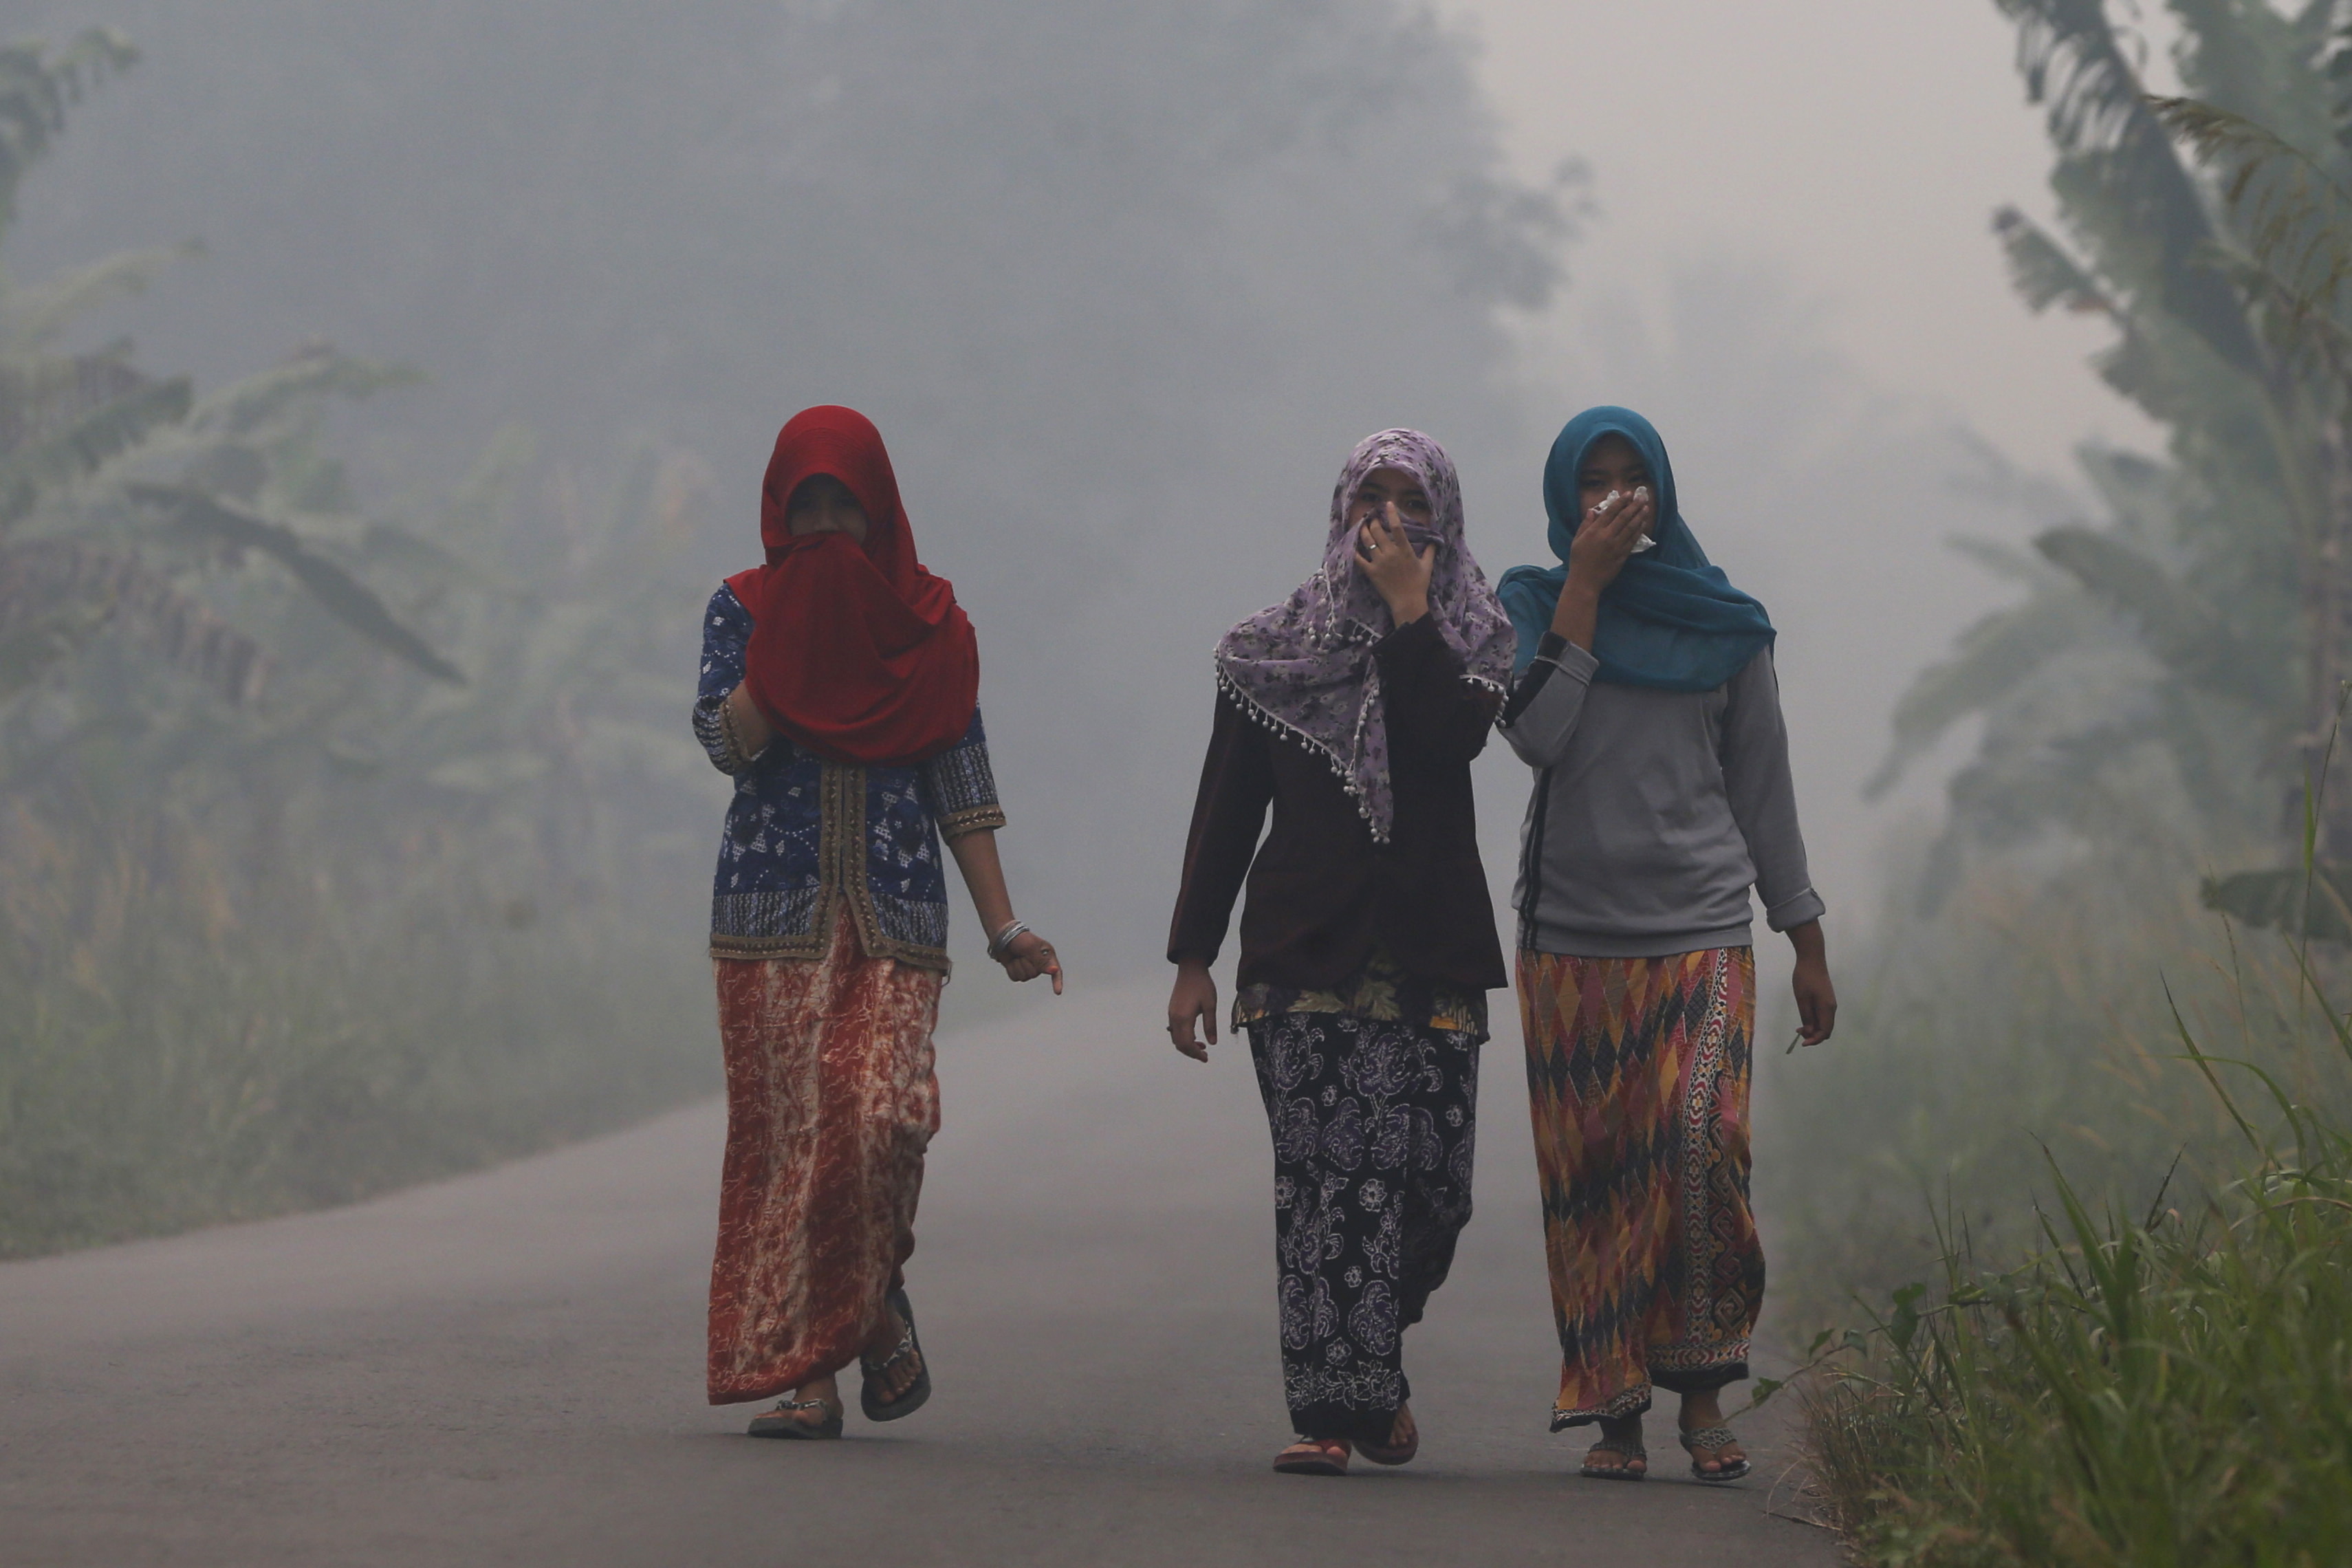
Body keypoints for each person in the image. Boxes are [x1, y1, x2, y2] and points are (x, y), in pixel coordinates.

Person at [693, 404, 1062, 1440]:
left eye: (840, 509)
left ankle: (873, 1293)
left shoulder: (934, 627)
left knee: (885, 1117)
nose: (821, 530)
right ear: (776, 512)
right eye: (802, 508)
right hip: (773, 922)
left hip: (898, 919)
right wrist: (796, 642)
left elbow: (963, 784)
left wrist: (1005, 930)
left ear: (879, 511)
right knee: (800, 1146)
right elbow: (724, 743)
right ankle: (814, 1382)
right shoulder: (741, 608)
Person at [1166, 429, 1517, 1477]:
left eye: (1417, 500)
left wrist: (1412, 612)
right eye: (1376, 496)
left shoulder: (1476, 639)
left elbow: (1446, 739)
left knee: (1428, 1188)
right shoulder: (1270, 649)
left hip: (1431, 952)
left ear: (1445, 519)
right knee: (1325, 1187)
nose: (1395, 519)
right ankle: (1329, 1412)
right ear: (1341, 509)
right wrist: (1193, 957)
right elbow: (1226, 810)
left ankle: (1374, 1359)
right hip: (1299, 951)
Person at [1494, 406, 1836, 1483]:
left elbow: (1763, 788)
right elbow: (1536, 738)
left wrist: (1806, 937)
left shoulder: (1726, 622)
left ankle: (1701, 1395)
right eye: (1591, 480)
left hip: (1703, 930)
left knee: (1699, 1148)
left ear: (1661, 493)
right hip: (1571, 943)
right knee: (1596, 1182)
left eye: (1629, 478)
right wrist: (1585, 592)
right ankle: (1615, 1413)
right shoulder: (1530, 604)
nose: (1609, 497)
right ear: (1563, 497)